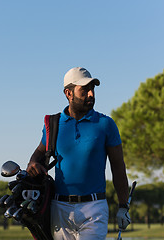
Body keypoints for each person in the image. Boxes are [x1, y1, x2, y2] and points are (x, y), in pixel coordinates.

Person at [26, 67, 130, 240]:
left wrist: (123, 206)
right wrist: (33, 163)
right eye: (84, 90)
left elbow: (118, 167)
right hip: (59, 208)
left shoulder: (106, 124)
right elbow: (38, 153)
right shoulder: (53, 124)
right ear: (68, 93)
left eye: (92, 89)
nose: (91, 94)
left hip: (94, 208)